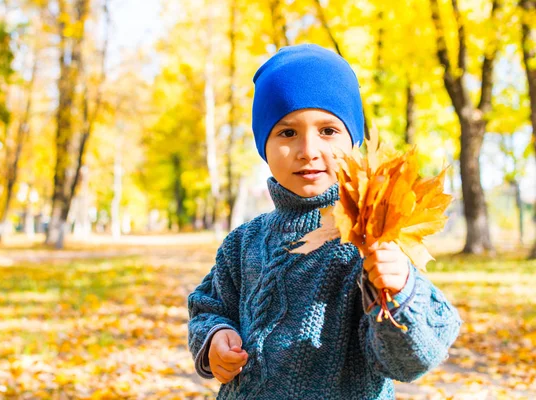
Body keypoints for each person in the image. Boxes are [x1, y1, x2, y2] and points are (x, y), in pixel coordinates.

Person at [187, 43, 461, 399]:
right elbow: (208, 306)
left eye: (328, 131)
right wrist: (214, 337)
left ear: (354, 139)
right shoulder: (242, 243)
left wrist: (400, 290)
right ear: (263, 146)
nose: (309, 150)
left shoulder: (372, 241)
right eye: (287, 132)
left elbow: (407, 363)